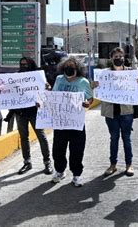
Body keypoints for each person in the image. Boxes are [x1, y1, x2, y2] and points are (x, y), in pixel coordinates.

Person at [0, 57, 53, 175]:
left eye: (26, 64)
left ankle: (47, 162)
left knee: (41, 136)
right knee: (24, 138)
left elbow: (46, 91)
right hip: (20, 113)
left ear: (31, 65)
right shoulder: (16, 78)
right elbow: (7, 90)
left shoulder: (37, 78)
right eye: (21, 64)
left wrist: (47, 88)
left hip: (34, 112)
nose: (23, 66)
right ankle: (27, 162)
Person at [93, 47, 138, 177]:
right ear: (111, 58)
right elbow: (95, 88)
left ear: (124, 58)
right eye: (115, 56)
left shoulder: (131, 73)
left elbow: (137, 88)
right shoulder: (104, 74)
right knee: (113, 139)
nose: (118, 59)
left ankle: (129, 165)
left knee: (126, 138)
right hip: (111, 112)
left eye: (120, 56)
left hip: (126, 112)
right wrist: (93, 85)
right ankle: (113, 165)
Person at [50, 57, 93, 187]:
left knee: (77, 150)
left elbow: (90, 98)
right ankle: (59, 171)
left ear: (77, 69)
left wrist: (87, 103)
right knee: (58, 149)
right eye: (67, 67)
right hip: (61, 122)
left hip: (76, 122)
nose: (69, 69)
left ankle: (76, 174)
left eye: (72, 67)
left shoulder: (83, 82)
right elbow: (53, 96)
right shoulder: (59, 80)